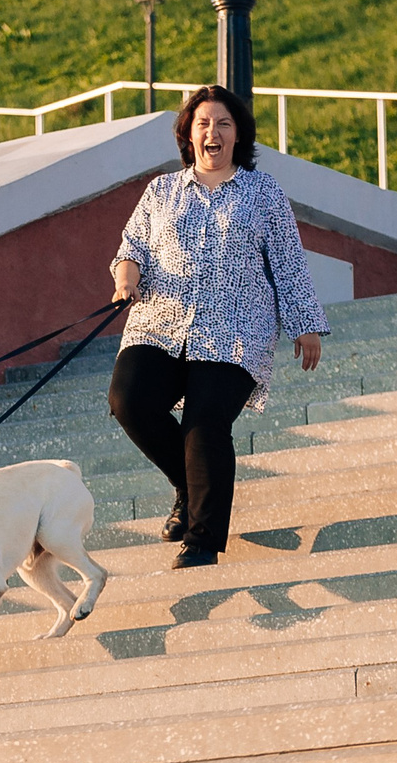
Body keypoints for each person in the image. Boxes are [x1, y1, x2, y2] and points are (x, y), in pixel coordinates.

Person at [106, 83, 328, 568]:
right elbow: (132, 247)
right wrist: (126, 273)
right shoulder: (160, 191)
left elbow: (288, 263)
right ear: (188, 134)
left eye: (223, 124)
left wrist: (304, 324)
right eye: (203, 123)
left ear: (238, 135)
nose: (213, 132)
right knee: (128, 399)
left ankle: (203, 540)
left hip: (234, 333)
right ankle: (189, 487)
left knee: (204, 424)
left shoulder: (263, 192)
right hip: (159, 324)